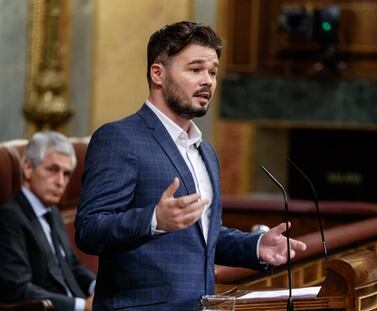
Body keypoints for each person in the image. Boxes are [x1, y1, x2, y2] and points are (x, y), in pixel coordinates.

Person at [75, 21, 306, 310]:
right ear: (157, 73)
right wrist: (154, 219)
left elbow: (204, 237)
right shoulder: (119, 138)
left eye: (213, 72)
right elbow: (89, 230)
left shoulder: (205, 151)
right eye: (195, 69)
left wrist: (256, 247)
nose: (208, 81)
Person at [0, 131, 95, 311]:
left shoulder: (53, 212)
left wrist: (97, 286)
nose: (60, 182)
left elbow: (72, 266)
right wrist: (81, 306)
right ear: (28, 168)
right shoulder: (9, 218)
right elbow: (17, 288)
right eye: (53, 170)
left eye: (66, 174)